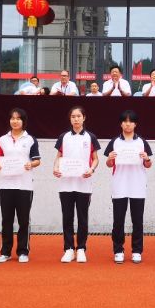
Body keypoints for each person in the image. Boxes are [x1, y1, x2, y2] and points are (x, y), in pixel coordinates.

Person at [0, 108, 41, 263]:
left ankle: (23, 251)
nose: (15, 121)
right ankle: (5, 252)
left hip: (24, 185)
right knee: (6, 219)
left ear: (23, 121)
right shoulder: (2, 139)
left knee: (23, 220)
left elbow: (37, 160)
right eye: (12, 118)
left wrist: (31, 164)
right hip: (5, 185)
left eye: (18, 118)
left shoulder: (30, 139)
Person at [104, 110, 153, 264]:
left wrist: (146, 159)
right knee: (118, 220)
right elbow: (109, 164)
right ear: (121, 124)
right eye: (125, 121)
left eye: (131, 121)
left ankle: (137, 251)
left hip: (138, 186)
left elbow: (148, 164)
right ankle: (118, 250)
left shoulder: (142, 142)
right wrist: (110, 159)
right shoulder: (114, 142)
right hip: (119, 185)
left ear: (135, 124)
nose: (128, 124)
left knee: (137, 220)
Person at [53, 106, 101, 263]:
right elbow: (58, 157)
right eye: (73, 116)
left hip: (84, 184)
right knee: (67, 217)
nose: (76, 119)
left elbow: (95, 159)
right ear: (70, 119)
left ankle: (81, 248)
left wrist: (91, 169)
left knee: (82, 217)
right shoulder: (64, 137)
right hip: (66, 184)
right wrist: (55, 168)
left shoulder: (91, 137)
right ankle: (68, 249)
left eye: (79, 116)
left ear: (84, 118)